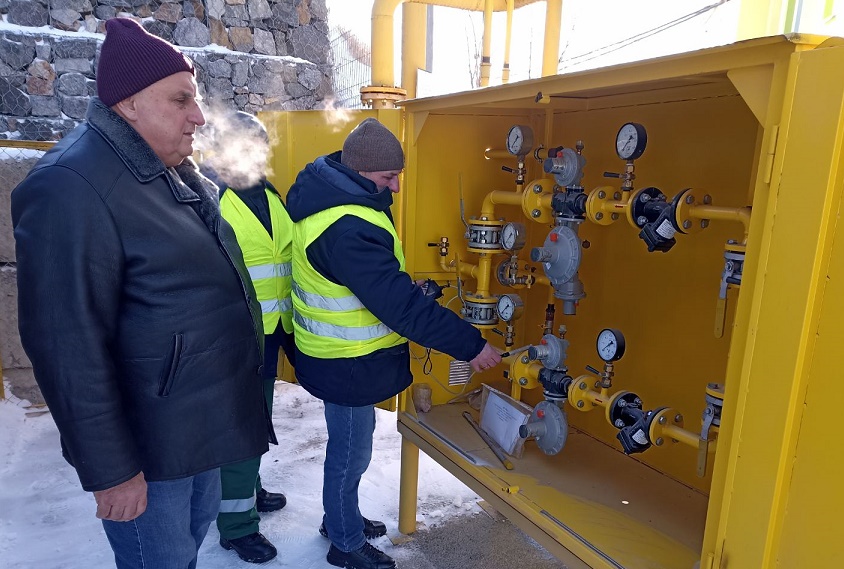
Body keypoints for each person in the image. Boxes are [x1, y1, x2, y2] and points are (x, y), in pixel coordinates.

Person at [11, 18, 274, 569]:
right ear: (128, 104)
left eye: (195, 99)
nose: (198, 116)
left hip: (194, 431)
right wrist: (112, 471)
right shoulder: (71, 185)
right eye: (180, 100)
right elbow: (66, 346)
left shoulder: (167, 170)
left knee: (184, 555)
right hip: (148, 450)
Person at [286, 118, 502, 569]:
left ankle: (339, 518)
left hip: (341, 358)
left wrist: (402, 290)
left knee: (352, 447)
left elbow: (370, 286)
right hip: (345, 362)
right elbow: (399, 308)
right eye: (389, 177)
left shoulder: (339, 200)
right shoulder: (347, 225)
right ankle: (344, 543)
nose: (397, 187)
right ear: (361, 169)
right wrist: (471, 346)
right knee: (350, 455)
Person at [200, 111, 295, 564]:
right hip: (234, 337)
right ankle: (237, 527)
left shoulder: (269, 193)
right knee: (240, 430)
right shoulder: (211, 198)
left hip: (270, 333)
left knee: (255, 421)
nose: (258, 153)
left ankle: (249, 489)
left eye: (261, 145)